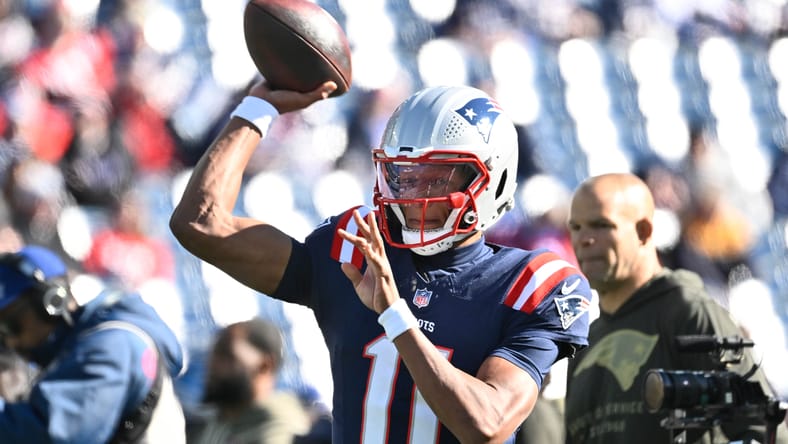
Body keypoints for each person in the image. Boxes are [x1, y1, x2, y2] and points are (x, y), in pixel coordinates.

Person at [169, 80, 592, 443]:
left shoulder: (531, 284)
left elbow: (487, 424)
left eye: (438, 177)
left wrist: (396, 316)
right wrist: (258, 108)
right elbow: (201, 224)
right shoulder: (358, 248)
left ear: (493, 178)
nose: (415, 196)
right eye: (405, 176)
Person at [563, 173, 788, 444]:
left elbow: (763, 430)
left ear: (643, 232)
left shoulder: (686, 310)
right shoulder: (583, 341)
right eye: (575, 227)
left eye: (601, 225)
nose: (584, 239)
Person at [0, 244, 187, 443]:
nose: (10, 340)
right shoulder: (75, 350)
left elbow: (49, 434)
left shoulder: (113, 346)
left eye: (11, 323)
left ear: (52, 302)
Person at [190, 317, 312, 444]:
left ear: (265, 366)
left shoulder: (279, 430)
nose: (212, 365)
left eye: (226, 356)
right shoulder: (220, 419)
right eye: (213, 355)